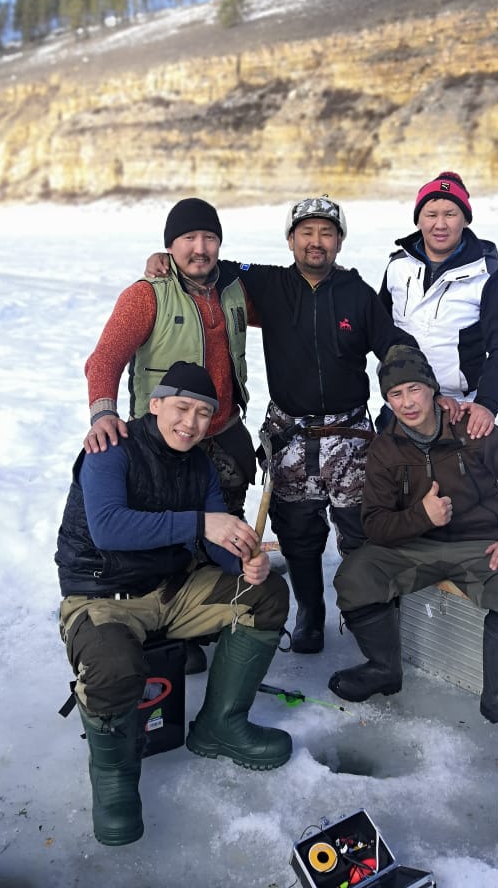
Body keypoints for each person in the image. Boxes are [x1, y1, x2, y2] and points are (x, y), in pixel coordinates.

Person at [146, 196, 417, 655]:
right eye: (306, 233)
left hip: (350, 435)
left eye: (327, 233)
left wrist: (411, 394)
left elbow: (393, 346)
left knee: (360, 529)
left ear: (340, 241)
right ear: (291, 240)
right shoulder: (267, 282)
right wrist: (163, 259)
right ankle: (311, 612)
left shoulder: (358, 293)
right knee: (297, 533)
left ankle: (368, 611)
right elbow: (207, 262)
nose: (316, 242)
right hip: (290, 434)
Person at [55, 362, 291, 847]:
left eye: (204, 414)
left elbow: (219, 538)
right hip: (102, 597)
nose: (192, 422)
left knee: (264, 596)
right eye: (182, 407)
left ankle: (220, 726)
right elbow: (109, 528)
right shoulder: (111, 449)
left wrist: (244, 560)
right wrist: (201, 524)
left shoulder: (199, 462)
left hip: (172, 589)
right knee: (114, 663)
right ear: (155, 403)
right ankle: (115, 778)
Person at [328, 345, 498, 751]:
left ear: (432, 388)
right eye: (395, 394)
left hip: (479, 546)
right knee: (356, 575)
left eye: (414, 388)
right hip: (415, 547)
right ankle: (383, 669)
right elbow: (375, 525)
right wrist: (422, 518)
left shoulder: (472, 429)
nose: (407, 402)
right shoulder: (385, 447)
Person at [85, 198, 257, 673]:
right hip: (162, 442)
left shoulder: (235, 287)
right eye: (188, 239)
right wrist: (103, 414)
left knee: (223, 529)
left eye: (209, 238)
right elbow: (104, 360)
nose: (200, 249)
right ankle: (161, 630)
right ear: (169, 245)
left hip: (223, 433)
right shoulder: (148, 293)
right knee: (165, 537)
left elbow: (281, 297)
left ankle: (216, 617)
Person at [378, 171, 498, 440]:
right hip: (400, 406)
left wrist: (487, 404)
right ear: (419, 220)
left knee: (455, 482)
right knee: (391, 481)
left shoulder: (488, 275)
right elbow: (377, 331)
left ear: (465, 219)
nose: (440, 224)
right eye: (431, 214)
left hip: (459, 410)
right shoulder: (398, 266)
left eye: (451, 213)